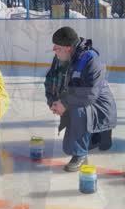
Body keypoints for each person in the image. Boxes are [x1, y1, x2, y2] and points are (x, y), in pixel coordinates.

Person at [44, 27, 117, 172]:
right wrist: (53, 102)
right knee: (73, 104)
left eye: (57, 48)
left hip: (100, 110)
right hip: (81, 105)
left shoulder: (90, 59)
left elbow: (89, 94)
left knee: (78, 107)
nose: (54, 50)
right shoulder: (60, 58)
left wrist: (64, 103)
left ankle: (80, 154)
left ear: (68, 48)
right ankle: (87, 139)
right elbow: (50, 81)